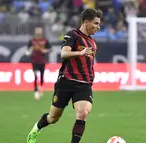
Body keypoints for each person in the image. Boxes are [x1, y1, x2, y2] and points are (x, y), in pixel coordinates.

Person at [27, 8, 102, 143]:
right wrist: (79, 53)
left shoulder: (92, 43)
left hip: (84, 84)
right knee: (53, 117)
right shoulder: (72, 35)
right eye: (96, 23)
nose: (98, 27)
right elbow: (64, 53)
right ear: (86, 22)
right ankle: (37, 128)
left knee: (82, 113)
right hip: (66, 81)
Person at [25, 26, 51, 100]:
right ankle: (36, 91)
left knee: (42, 75)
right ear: (35, 31)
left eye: (40, 30)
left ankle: (41, 87)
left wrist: (45, 51)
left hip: (42, 61)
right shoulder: (31, 41)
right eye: (37, 30)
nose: (38, 32)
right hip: (34, 60)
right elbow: (28, 49)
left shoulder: (45, 40)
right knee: (35, 76)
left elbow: (49, 48)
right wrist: (28, 52)